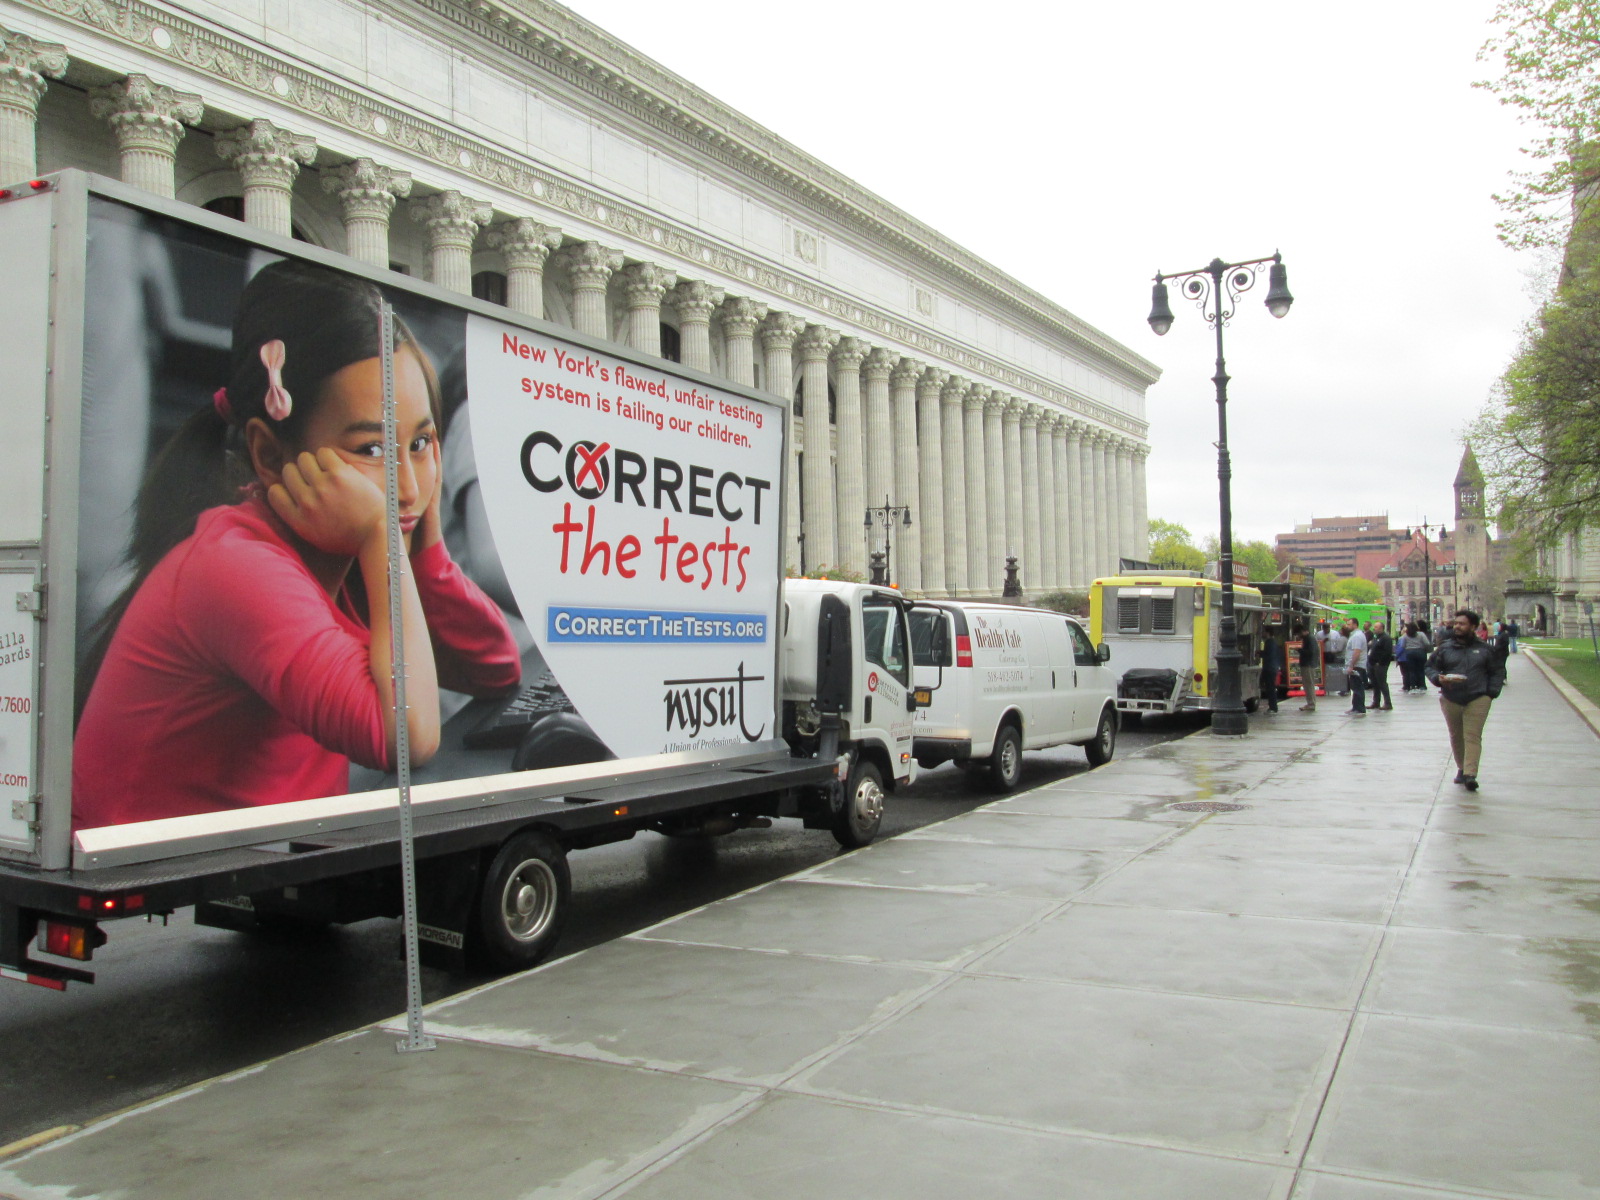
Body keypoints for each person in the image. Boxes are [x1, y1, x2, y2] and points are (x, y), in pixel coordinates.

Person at [73, 260, 521, 829]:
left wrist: (423, 546)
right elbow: (406, 739)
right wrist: (382, 538)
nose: (408, 487)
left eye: (422, 443)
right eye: (373, 450)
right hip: (173, 893)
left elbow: (493, 669)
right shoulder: (237, 566)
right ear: (271, 455)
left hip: (262, 864)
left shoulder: (338, 551)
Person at [1425, 608, 1505, 791]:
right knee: (1456, 735)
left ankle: (1470, 774)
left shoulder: (1485, 649)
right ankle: (1461, 767)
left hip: (1477, 697)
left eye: (1462, 624)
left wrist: (1490, 693)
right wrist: (1438, 679)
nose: (1457, 627)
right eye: (1456, 623)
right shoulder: (1445, 648)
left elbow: (1497, 671)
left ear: (1473, 627)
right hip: (1451, 697)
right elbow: (1430, 667)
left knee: (1472, 736)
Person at [1367, 620, 1394, 710]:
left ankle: (1387, 703)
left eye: (1376, 627)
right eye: (1374, 627)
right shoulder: (1376, 637)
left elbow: (1387, 652)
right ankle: (1376, 702)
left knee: (1382, 683)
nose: (1374, 629)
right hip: (1372, 664)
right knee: (1375, 684)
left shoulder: (1386, 638)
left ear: (1381, 628)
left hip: (1380, 665)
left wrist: (1380, 662)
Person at [1344, 618, 1368, 715]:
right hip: (1356, 665)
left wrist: (1351, 665)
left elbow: (1356, 652)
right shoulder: (1355, 635)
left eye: (1349, 624)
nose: (1347, 626)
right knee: (1355, 687)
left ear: (1355, 625)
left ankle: (1359, 708)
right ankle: (1355, 707)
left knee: (1357, 687)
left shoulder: (1357, 636)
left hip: (1357, 665)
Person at [1295, 621, 1320, 711]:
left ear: (1303, 631)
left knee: (1308, 684)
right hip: (1309, 664)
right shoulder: (1309, 638)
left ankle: (1311, 704)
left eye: (1299, 633)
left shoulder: (1309, 639)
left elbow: (1310, 652)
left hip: (1308, 664)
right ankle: (1310, 703)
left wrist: (1300, 650)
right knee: (1308, 684)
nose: (1298, 635)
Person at [1259, 630, 1284, 714]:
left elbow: (1268, 655)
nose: (1262, 634)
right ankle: (1273, 707)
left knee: (1270, 688)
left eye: (1264, 632)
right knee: (1270, 688)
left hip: (1269, 668)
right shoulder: (1274, 642)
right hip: (1273, 668)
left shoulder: (1269, 642)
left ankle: (1273, 707)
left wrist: (1260, 653)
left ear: (1268, 633)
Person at [1326, 621, 1349, 695]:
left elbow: (1339, 649)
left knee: (1341, 674)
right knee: (1344, 674)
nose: (1339, 631)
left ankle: (1343, 689)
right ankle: (1346, 689)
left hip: (1340, 657)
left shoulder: (1342, 639)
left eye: (1340, 630)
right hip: (1344, 657)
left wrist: (1331, 651)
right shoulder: (1346, 638)